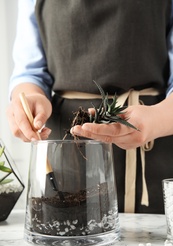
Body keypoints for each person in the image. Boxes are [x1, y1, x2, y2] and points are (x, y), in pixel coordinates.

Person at [6, 0, 173, 214]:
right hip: (66, 152)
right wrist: (29, 96)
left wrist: (157, 120)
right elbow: (30, 71)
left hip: (156, 145)